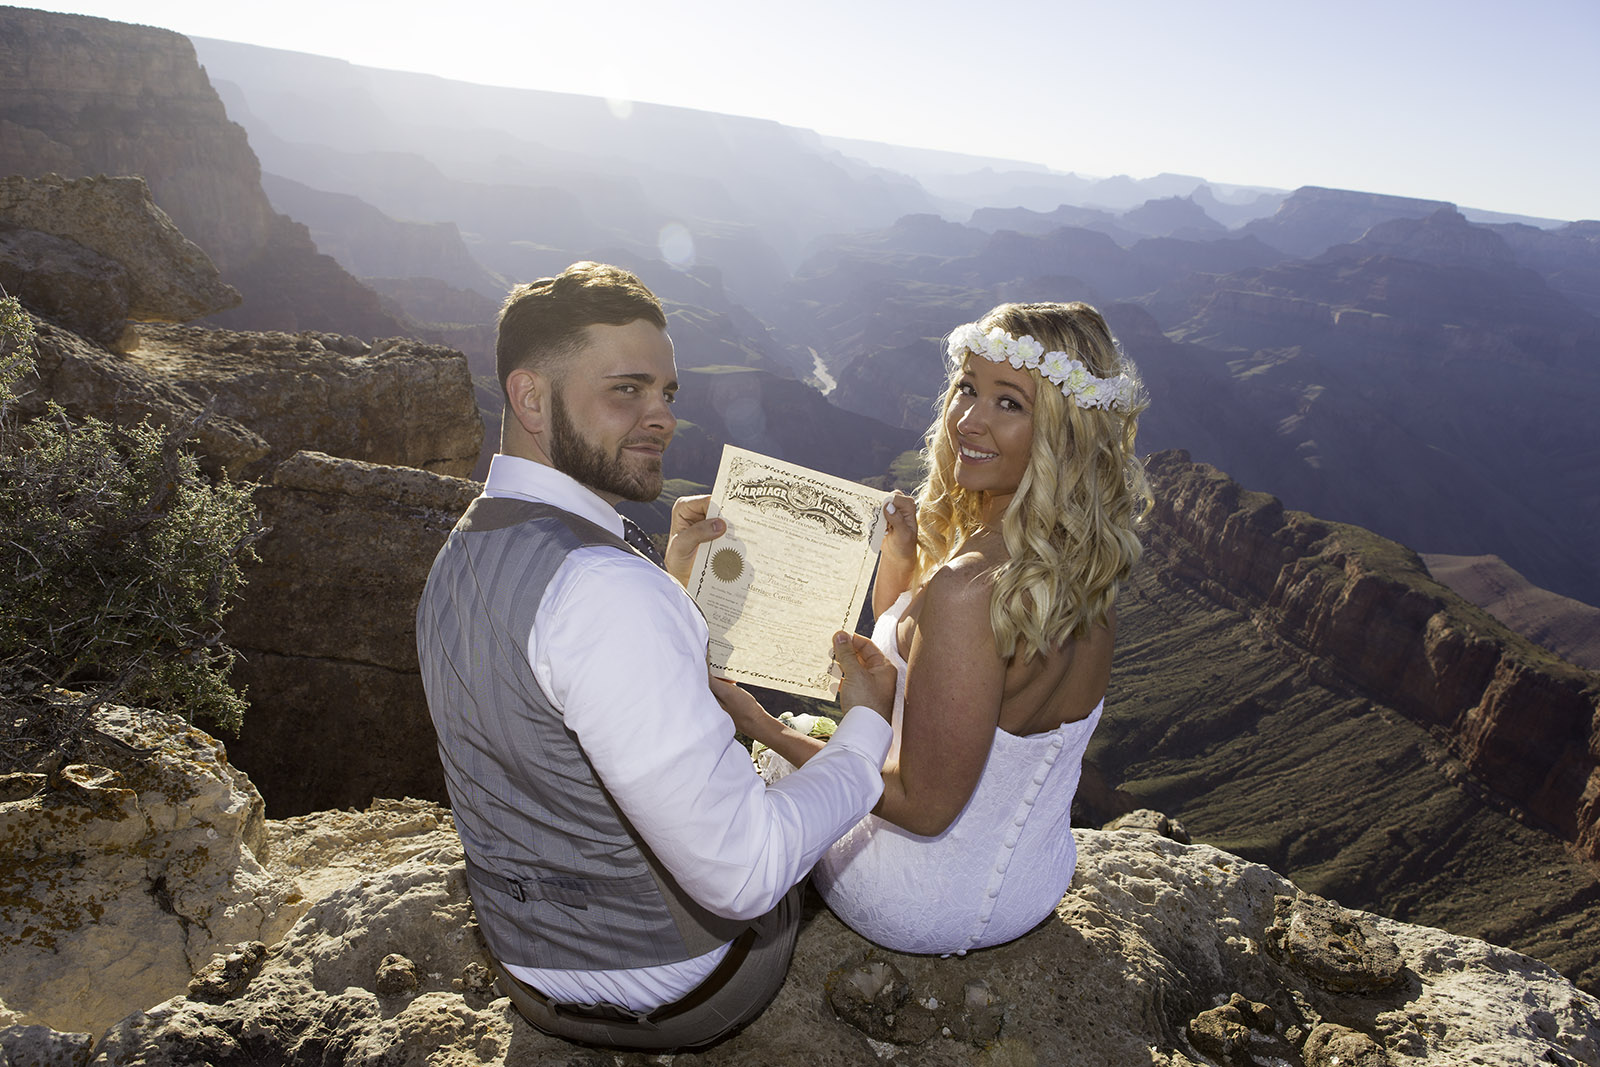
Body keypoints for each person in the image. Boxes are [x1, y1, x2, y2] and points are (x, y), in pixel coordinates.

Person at [414, 262, 897, 1050]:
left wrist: (670, 586)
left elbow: (553, 686)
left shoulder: (463, 550)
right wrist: (866, 731)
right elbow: (746, 874)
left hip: (527, 965)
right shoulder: (607, 592)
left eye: (666, 393)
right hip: (682, 984)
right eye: (626, 390)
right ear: (531, 397)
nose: (661, 417)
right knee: (830, 820)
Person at [721, 301, 1151, 956]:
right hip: (1032, 885)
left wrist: (763, 727)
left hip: (910, 896)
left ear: (1064, 430)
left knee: (770, 761)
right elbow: (937, 675)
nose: (969, 419)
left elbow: (923, 805)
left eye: (1009, 403)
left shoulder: (968, 590)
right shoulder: (1081, 560)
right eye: (967, 388)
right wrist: (900, 563)